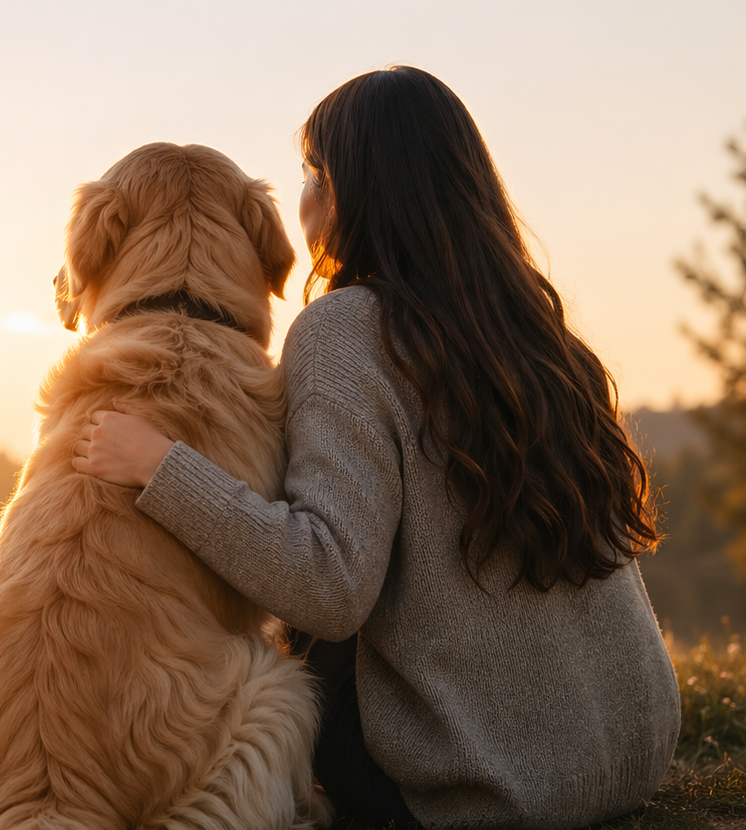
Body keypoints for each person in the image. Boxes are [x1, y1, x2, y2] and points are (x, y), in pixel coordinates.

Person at [70, 66, 679, 829]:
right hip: (630, 751)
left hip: (487, 789)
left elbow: (328, 587)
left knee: (285, 665)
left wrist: (161, 467)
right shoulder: (532, 326)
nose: (304, 202)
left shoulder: (344, 330)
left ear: (356, 194)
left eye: (313, 175)